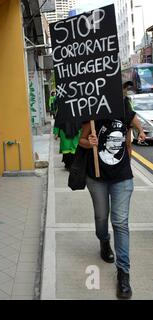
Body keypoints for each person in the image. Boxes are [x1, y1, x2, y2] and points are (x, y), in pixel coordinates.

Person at [79, 83, 146, 299]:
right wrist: (89, 143)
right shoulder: (92, 110)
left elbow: (135, 123)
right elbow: (81, 140)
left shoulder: (123, 107)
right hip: (96, 177)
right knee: (101, 218)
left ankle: (123, 273)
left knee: (120, 222)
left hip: (122, 177)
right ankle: (103, 240)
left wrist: (141, 131)